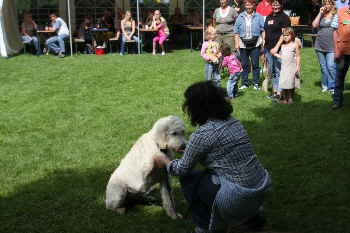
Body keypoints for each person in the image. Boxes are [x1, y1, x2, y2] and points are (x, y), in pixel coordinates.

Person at [154, 81, 272, 233]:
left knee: (189, 179)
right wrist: (190, 149)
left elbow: (181, 169)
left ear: (197, 107)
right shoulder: (234, 122)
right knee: (206, 176)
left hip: (239, 196)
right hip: (260, 187)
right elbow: (219, 151)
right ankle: (251, 216)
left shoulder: (202, 134)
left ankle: (205, 226)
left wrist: (164, 161)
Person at [234, 0, 265, 90]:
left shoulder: (259, 16)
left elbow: (263, 30)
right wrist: (236, 44)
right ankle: (244, 83)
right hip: (243, 44)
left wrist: (264, 41)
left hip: (255, 44)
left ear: (254, 5)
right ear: (244, 6)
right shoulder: (240, 16)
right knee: (244, 64)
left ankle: (256, 83)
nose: (248, 7)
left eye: (250, 5)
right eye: (246, 5)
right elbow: (236, 31)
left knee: (255, 64)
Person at [264, 0, 291, 99]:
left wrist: (276, 48)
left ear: (281, 5)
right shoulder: (269, 16)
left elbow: (285, 35)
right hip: (268, 48)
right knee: (272, 71)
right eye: (274, 4)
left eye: (277, 4)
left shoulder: (284, 18)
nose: (275, 6)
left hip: (279, 49)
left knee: (279, 70)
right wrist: (264, 45)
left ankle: (281, 93)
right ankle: (275, 92)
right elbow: (265, 31)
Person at [312, 0, 337, 93]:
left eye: (329, 3)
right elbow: (314, 25)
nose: (327, 5)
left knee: (330, 66)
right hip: (319, 44)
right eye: (325, 4)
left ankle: (332, 86)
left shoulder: (336, 15)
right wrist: (320, 13)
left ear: (332, 5)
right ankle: (325, 84)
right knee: (323, 67)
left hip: (331, 45)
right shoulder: (321, 15)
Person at [271, 27, 301, 104]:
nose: (285, 37)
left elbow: (298, 56)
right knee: (283, 83)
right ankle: (284, 98)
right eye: (284, 35)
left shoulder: (295, 45)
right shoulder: (283, 46)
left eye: (287, 35)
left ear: (292, 35)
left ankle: (290, 98)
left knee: (290, 83)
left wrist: (298, 66)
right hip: (284, 68)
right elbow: (281, 55)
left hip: (291, 68)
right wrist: (276, 54)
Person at [331, 1, 350, 109]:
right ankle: (337, 101)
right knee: (339, 78)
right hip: (342, 52)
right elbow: (334, 31)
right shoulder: (340, 11)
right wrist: (336, 49)